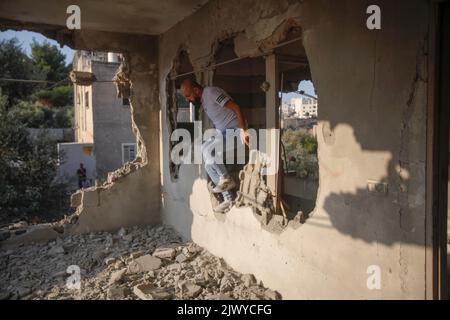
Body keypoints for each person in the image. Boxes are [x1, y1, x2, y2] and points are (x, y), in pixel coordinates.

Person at [181, 79, 250, 213]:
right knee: (207, 161)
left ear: (196, 90)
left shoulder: (211, 92)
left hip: (235, 130)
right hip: (222, 132)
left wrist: (243, 130)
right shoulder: (204, 101)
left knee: (208, 150)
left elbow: (236, 107)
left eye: (188, 95)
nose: (188, 100)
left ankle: (227, 179)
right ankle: (228, 198)